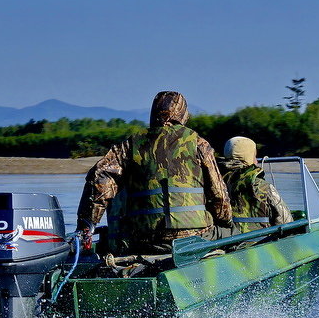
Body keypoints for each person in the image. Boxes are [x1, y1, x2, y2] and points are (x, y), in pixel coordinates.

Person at [76, 91, 231, 254]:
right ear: (183, 115)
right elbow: (219, 196)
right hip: (194, 237)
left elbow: (99, 178)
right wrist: (224, 219)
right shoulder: (198, 143)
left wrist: (86, 227)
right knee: (230, 231)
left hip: (145, 239)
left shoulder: (131, 145)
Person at [218, 136, 293, 234]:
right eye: (254, 156)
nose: (257, 161)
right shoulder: (263, 187)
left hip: (225, 240)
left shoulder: (216, 183)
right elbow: (286, 222)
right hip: (259, 243)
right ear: (248, 158)